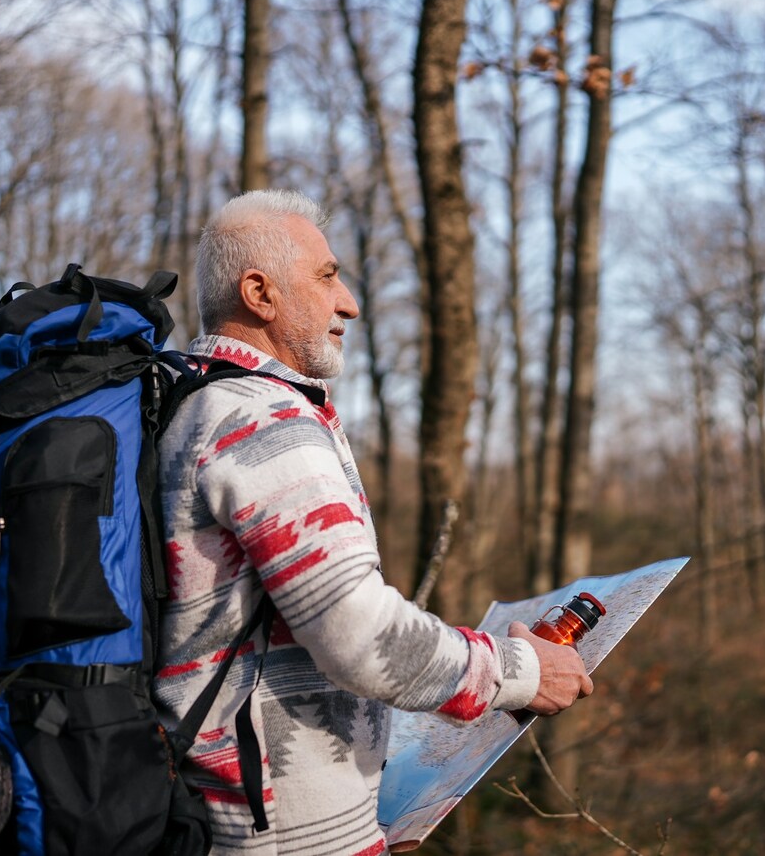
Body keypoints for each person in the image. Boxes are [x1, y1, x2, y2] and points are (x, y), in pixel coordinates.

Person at [154, 189, 593, 856]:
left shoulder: (191, 404)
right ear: (259, 292)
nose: (350, 301)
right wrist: (520, 670)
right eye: (327, 276)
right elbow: (358, 632)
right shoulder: (262, 420)